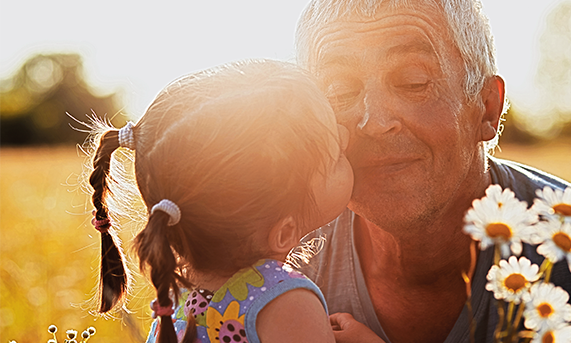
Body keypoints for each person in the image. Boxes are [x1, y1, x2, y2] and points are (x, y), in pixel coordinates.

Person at [295, 0, 571, 343]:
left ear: (487, 107)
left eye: (413, 82)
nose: (375, 121)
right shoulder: (274, 251)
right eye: (340, 91)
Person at [85, 60, 383, 343]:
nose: (345, 136)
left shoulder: (177, 296)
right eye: (334, 155)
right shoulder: (286, 301)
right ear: (284, 233)